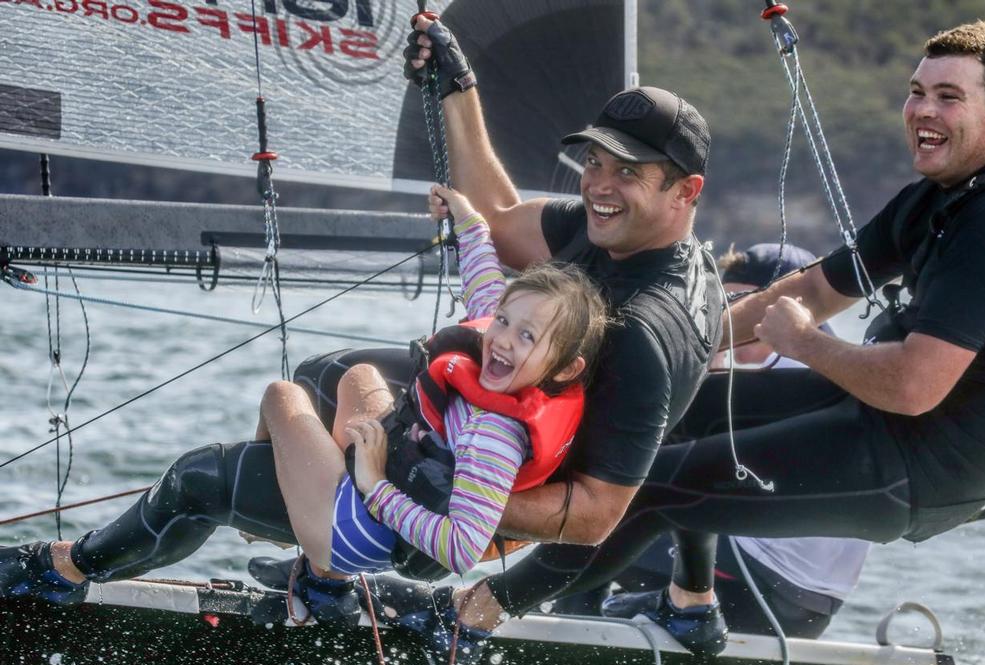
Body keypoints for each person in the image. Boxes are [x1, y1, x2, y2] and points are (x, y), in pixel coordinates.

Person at [484, 17, 985, 652]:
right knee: (680, 413)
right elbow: (813, 290)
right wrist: (688, 344)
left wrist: (807, 345)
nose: (922, 110)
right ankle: (666, 609)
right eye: (916, 91)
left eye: (948, 97)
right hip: (875, 416)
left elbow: (912, 387)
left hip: (923, 466)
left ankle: (476, 609)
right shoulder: (933, 197)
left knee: (657, 491)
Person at [0, 184, 608, 620]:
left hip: (364, 526)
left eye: (527, 336)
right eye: (505, 321)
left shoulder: (495, 435)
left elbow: (461, 547)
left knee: (257, 417)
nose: (502, 339)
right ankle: (318, 573)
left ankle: (66, 571)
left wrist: (372, 485)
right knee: (356, 377)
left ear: (565, 366)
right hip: (382, 488)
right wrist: (470, 221)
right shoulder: (497, 341)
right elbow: (483, 282)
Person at [360, 15, 723, 663]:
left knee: (337, 391)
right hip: (549, 478)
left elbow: (593, 517)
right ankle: (694, 603)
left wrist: (436, 478)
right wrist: (459, 86)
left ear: (685, 191)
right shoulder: (618, 234)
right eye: (595, 163)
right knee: (347, 378)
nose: (600, 186)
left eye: (629, 171)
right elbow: (499, 223)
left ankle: (457, 611)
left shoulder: (641, 319)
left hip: (528, 498)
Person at [556, 244, 871, 640]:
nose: (734, 329)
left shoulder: (785, 373)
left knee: (608, 496)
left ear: (791, 313)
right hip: (809, 610)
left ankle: (570, 619)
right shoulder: (840, 374)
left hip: (753, 587)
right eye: (730, 308)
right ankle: (629, 606)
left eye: (751, 311)